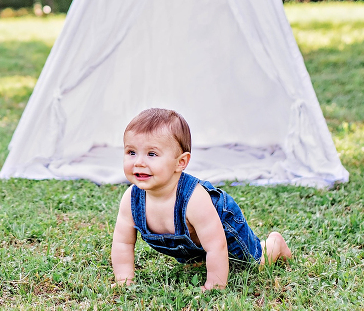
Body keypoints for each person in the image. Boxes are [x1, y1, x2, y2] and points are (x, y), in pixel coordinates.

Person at [111, 107, 292, 290]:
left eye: (152, 154)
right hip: (195, 244)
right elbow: (122, 242)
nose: (139, 162)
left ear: (180, 162)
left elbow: (216, 245)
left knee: (253, 264)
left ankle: (274, 244)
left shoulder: (194, 199)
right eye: (131, 152)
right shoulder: (131, 199)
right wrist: (124, 281)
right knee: (199, 260)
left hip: (224, 230)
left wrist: (214, 285)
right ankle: (199, 258)